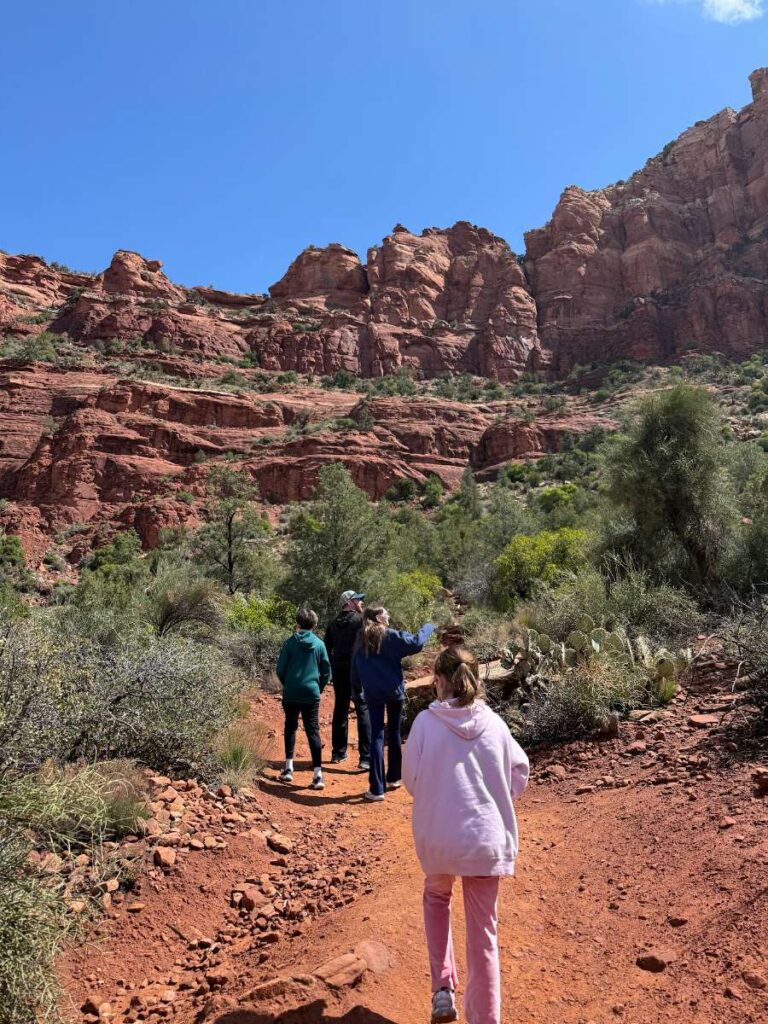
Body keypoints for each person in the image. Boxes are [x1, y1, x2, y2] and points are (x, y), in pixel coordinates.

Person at [403, 646, 529, 1024]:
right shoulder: (496, 724)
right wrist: (494, 797)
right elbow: (519, 772)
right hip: (485, 841)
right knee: (484, 933)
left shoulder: (425, 723)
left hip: (440, 838)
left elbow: (411, 781)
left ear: (438, 682)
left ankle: (442, 989)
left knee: (437, 898)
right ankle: (485, 1018)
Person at [351, 605, 434, 802]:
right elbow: (416, 643)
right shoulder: (390, 635)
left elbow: (355, 664)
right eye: (386, 613)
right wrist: (429, 627)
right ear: (379, 617)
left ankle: (377, 788)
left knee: (377, 735)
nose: (389, 615)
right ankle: (394, 777)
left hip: (372, 693)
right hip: (394, 691)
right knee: (394, 732)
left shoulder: (361, 638)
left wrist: (356, 689)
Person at [275, 607, 331, 791]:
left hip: (291, 692)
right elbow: (326, 671)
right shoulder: (319, 644)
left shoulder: (289, 643)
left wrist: (288, 684)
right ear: (314, 624)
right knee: (312, 730)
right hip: (311, 693)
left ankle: (289, 768)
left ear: (297, 623)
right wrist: (318, 688)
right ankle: (318, 775)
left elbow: (280, 669)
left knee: (290, 727)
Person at [325, 590, 371, 770]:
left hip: (339, 670)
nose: (361, 602)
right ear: (349, 602)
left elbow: (326, 648)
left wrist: (331, 667)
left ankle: (338, 753)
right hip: (358, 670)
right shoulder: (361, 621)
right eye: (358, 600)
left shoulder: (332, 623)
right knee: (362, 707)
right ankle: (366, 757)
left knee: (341, 708)